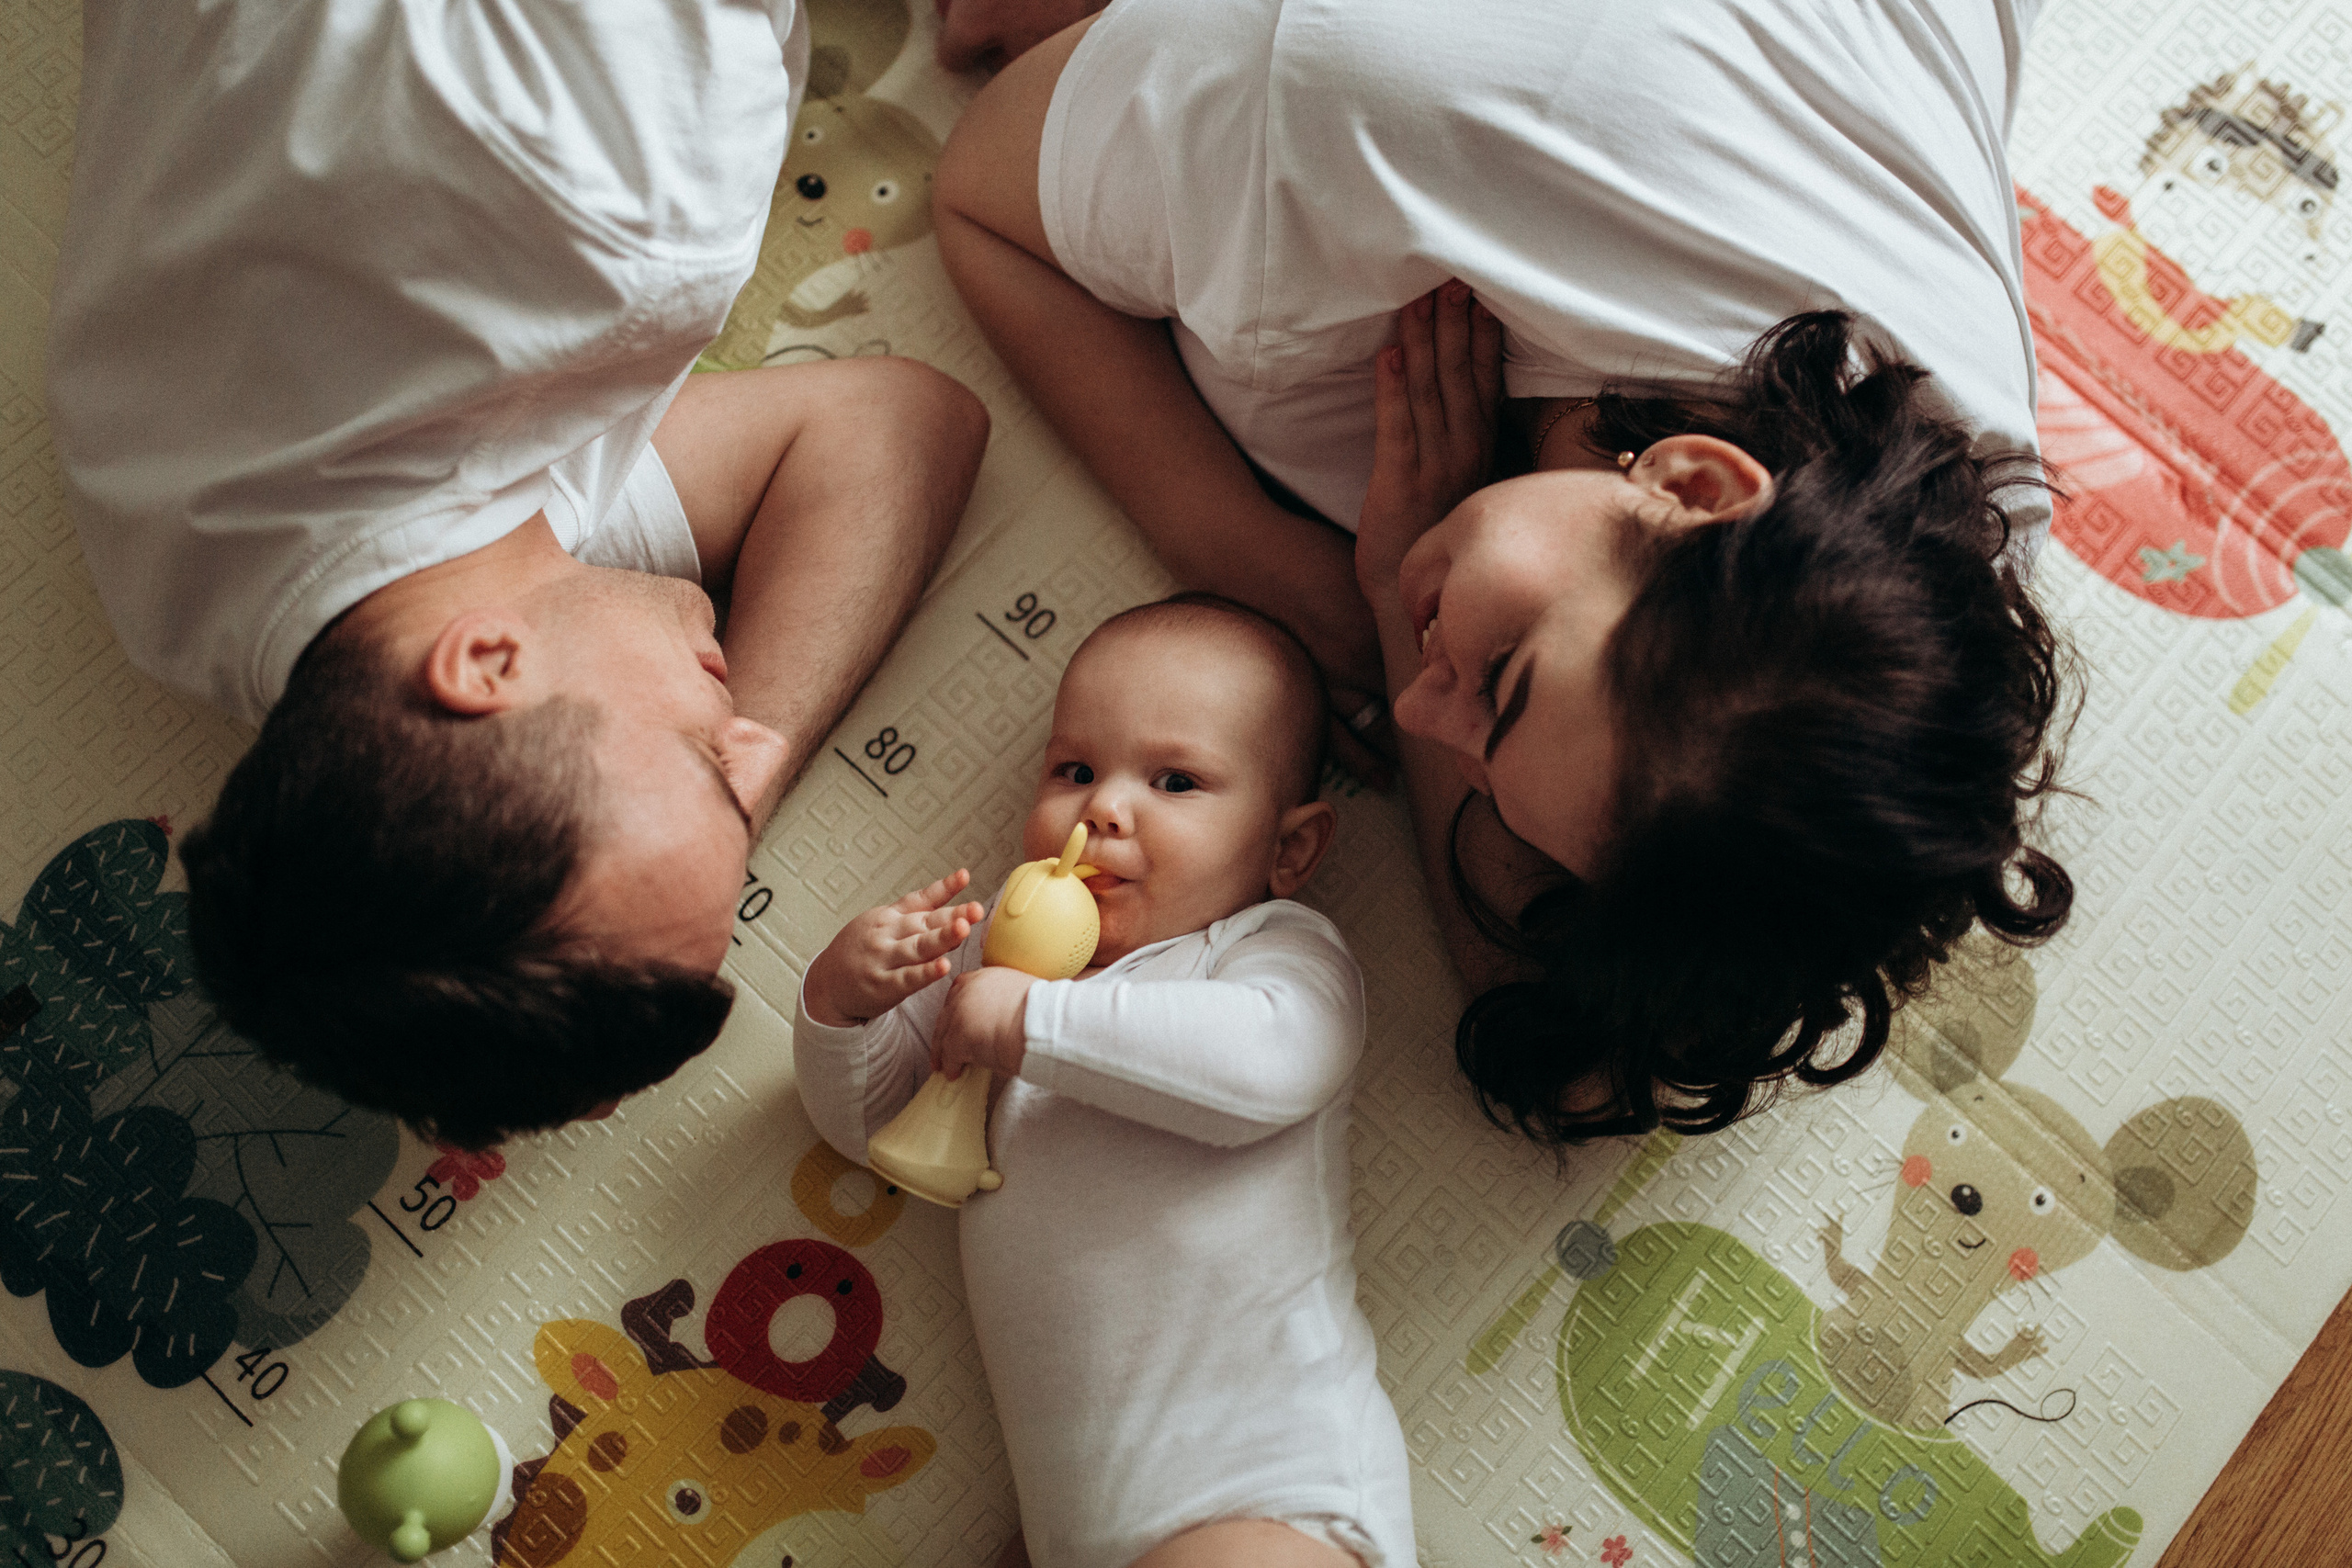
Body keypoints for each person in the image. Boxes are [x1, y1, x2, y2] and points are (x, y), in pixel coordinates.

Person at [930, 0, 2077, 1141]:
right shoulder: (1359, 115)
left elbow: (1565, 1051)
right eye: (1504, 681)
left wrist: (1391, 590)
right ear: (1689, 487)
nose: (1419, 707)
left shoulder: (1956, 533)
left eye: (1486, 781)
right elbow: (978, 195)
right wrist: (1237, 544)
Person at [44, 0, 989, 1149]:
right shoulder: (217, 591)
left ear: (486, 664)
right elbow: (890, 433)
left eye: (704, 761)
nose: (752, 734)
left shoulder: (615, 223)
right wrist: (725, 795)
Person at [793, 595, 1412, 1568]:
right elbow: (872, 1124)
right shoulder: (1001, 959)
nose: (1104, 808)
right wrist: (842, 1005)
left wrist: (1030, 1023)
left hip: (1264, 1493)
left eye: (1175, 780)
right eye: (1075, 769)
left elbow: (1267, 1064)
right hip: (1072, 1533)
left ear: (1287, 848)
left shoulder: (1264, 951)